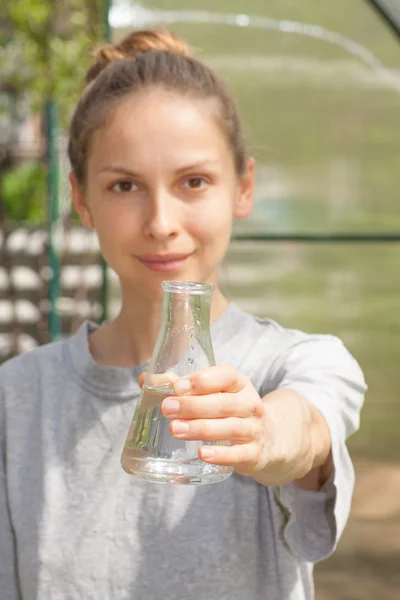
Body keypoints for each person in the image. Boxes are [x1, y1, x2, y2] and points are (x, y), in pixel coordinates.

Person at [0, 29, 366, 600]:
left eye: (193, 181)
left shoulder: (298, 363)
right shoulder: (18, 398)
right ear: (81, 200)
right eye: (125, 185)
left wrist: (263, 435)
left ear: (243, 187)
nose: (161, 221)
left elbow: (306, 429)